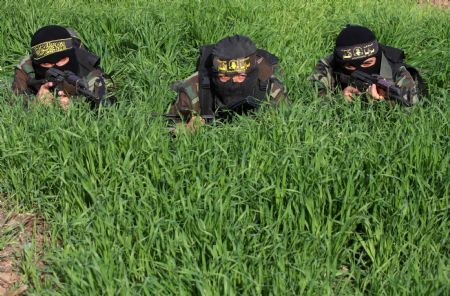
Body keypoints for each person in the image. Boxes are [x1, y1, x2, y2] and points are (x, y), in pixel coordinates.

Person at [167, 35, 287, 128]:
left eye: (240, 76)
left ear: (252, 75)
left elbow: (286, 123)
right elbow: (169, 125)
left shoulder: (270, 87)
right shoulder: (193, 90)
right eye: (223, 76)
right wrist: (187, 128)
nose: (232, 82)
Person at [310, 24, 426, 105]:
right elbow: (313, 103)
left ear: (378, 57)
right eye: (349, 66)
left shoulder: (398, 72)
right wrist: (340, 99)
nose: (359, 70)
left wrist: (382, 103)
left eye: (368, 63)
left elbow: (414, 113)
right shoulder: (329, 64)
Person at [11, 25, 115, 108]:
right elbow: (13, 104)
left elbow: (110, 101)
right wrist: (35, 104)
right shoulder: (27, 67)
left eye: (62, 60)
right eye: (46, 64)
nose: (55, 68)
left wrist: (78, 105)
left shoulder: (87, 66)